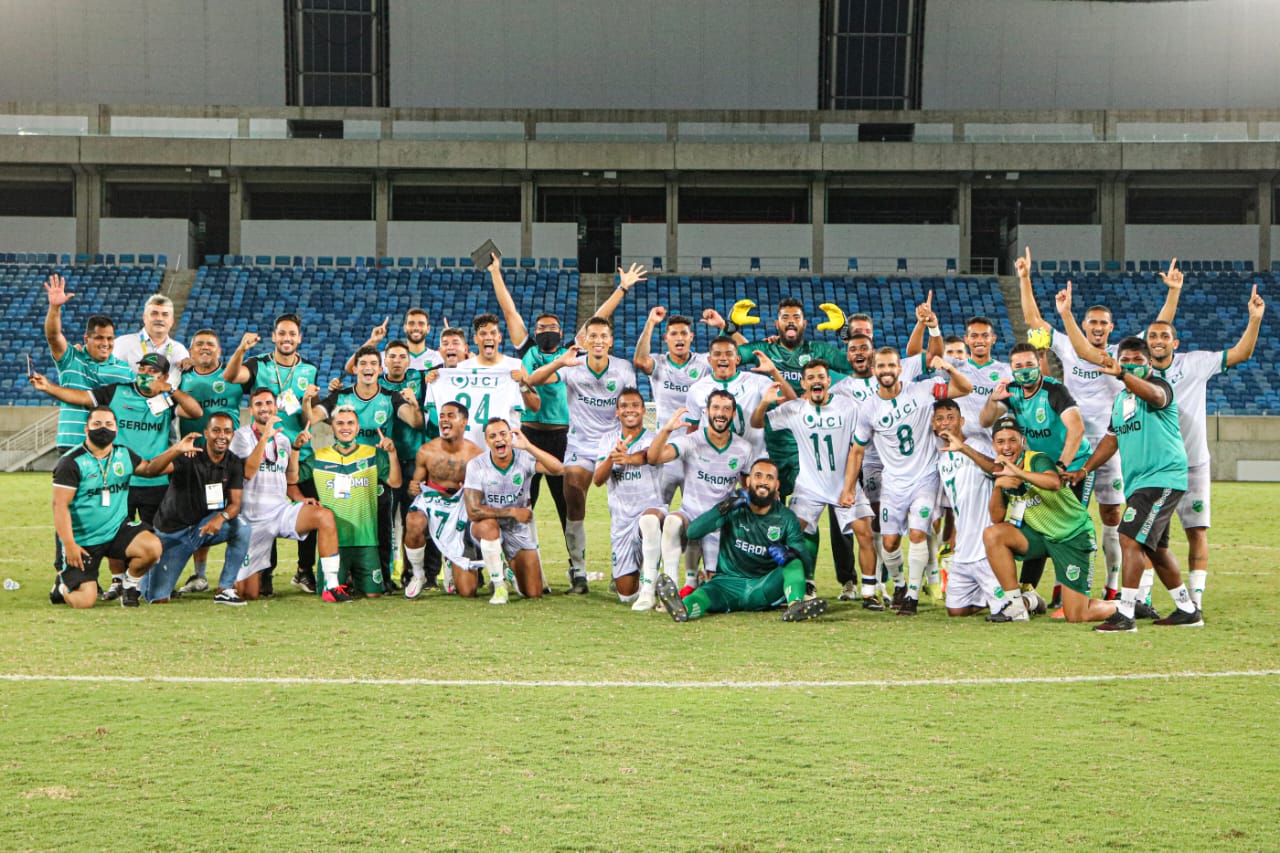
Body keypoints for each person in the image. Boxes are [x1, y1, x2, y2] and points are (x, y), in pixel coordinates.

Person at [1018, 247, 1181, 599]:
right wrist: (1025, 279)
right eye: (1091, 322)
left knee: (1113, 517)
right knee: (1069, 517)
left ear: (1111, 327)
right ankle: (1066, 588)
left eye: (1102, 323)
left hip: (1114, 446)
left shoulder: (1123, 354)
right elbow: (1034, 323)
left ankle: (1111, 587)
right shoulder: (1069, 346)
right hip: (1075, 448)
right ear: (1085, 325)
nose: (1096, 328)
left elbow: (1157, 330)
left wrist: (1172, 292)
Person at [1057, 298, 1203, 631]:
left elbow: (1153, 396)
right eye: (1125, 360)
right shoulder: (1122, 400)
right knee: (1156, 549)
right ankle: (1186, 608)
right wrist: (1084, 470)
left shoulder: (1159, 387)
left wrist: (1122, 373)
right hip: (1141, 481)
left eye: (1138, 360)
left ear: (1150, 363)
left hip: (1161, 478)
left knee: (1128, 539)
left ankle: (1125, 612)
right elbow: (1111, 440)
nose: (1131, 364)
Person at [490, 255, 642, 555]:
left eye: (553, 326)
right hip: (530, 433)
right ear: (535, 331)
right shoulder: (530, 350)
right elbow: (509, 311)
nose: (548, 329)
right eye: (542, 326)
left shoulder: (573, 353)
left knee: (567, 505)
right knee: (523, 502)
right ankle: (523, 562)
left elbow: (597, 320)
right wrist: (496, 272)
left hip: (563, 436)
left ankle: (577, 566)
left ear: (563, 333)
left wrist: (621, 289)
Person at [32, 353, 202, 599]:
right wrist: (49, 387)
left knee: (153, 537)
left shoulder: (168, 399)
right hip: (119, 478)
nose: (144, 375)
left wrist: (170, 390)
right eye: (142, 369)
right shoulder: (117, 392)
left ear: (163, 376)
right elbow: (82, 398)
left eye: (151, 371)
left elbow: (195, 411)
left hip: (154, 477)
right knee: (114, 529)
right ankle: (117, 582)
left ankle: (141, 583)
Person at [1146, 283, 1265, 609]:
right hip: (1154, 466)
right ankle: (1142, 599)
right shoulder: (1137, 371)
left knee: (1196, 532)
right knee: (1146, 535)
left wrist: (1254, 319)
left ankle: (1195, 600)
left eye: (1164, 336)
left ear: (1175, 342)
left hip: (1193, 462)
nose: (1158, 341)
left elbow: (1242, 354)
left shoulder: (1195, 363)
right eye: (1153, 337)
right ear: (1146, 343)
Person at [840, 350, 972, 615]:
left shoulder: (923, 390)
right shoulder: (868, 409)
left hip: (925, 477)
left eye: (891, 365)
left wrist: (948, 366)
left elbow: (965, 388)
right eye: (881, 366)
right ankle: (900, 584)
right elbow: (857, 450)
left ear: (900, 369)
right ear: (874, 370)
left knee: (917, 533)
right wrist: (848, 488)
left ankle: (911, 595)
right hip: (893, 483)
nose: (886, 370)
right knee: (889, 543)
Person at [751, 359, 880, 609]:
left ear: (828, 381)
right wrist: (765, 402)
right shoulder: (794, 409)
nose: (816, 381)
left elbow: (858, 449)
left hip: (844, 483)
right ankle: (804, 584)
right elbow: (757, 423)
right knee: (794, 532)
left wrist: (850, 487)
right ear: (803, 383)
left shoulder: (849, 407)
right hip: (809, 486)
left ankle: (869, 591)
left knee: (864, 532)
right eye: (811, 378)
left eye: (821, 376)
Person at [527, 315, 637, 594]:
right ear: (584, 340)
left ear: (610, 342)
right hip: (578, 445)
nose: (598, 341)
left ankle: (624, 569)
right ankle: (578, 571)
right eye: (593, 336)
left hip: (613, 444)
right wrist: (559, 362)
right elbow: (533, 380)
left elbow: (632, 406)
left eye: (603, 336)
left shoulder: (623, 369)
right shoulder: (572, 364)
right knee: (574, 498)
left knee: (623, 510)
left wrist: (629, 441)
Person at [979, 341, 1090, 610]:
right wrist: (994, 398)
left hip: (1071, 467)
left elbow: (1076, 429)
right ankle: (1028, 592)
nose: (1025, 370)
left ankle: (1069, 592)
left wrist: (1063, 466)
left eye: (1030, 364)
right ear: (1012, 369)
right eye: (1019, 366)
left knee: (1067, 530)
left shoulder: (1054, 390)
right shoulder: (1012, 391)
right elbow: (985, 421)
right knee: (1036, 523)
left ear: (1038, 365)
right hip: (1038, 467)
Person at [41, 274, 135, 585]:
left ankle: (115, 576)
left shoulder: (123, 370)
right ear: (88, 338)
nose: (106, 344)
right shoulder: (72, 360)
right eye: (99, 338)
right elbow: (54, 337)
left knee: (107, 510)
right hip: (72, 445)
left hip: (108, 449)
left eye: (110, 339)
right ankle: (64, 570)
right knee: (70, 509)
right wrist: (55, 308)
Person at [704, 297, 848, 498]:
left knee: (806, 505)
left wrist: (846, 334)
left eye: (796, 317)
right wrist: (729, 328)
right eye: (785, 317)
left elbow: (855, 364)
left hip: (807, 438)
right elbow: (727, 356)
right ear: (776, 324)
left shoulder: (819, 350)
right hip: (772, 440)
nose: (790, 321)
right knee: (769, 502)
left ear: (804, 323)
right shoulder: (766, 349)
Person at [655, 458, 827, 623]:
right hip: (726, 584)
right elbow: (693, 532)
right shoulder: (732, 508)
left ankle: (795, 606)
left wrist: (790, 553)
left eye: (769, 478)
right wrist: (723, 508)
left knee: (793, 562)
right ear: (748, 481)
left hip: (762, 587)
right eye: (758, 476)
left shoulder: (786, 518)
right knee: (703, 595)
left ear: (777, 485)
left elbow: (803, 561)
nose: (763, 482)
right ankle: (683, 609)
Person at [223, 314, 320, 597]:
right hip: (263, 452)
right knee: (264, 512)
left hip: (299, 453)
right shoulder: (258, 364)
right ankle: (264, 571)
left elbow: (309, 415)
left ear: (299, 338)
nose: (287, 338)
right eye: (282, 334)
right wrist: (241, 350)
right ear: (274, 336)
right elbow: (230, 376)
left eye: (292, 334)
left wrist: (305, 404)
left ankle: (305, 570)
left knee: (309, 507)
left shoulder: (309, 369)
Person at [980, 418, 1107, 623]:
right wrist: (998, 486)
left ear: (1022, 441)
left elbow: (1054, 482)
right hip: (1042, 535)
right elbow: (997, 518)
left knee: (1077, 615)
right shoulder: (1003, 468)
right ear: (994, 444)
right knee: (993, 535)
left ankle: (1125, 606)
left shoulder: (1037, 459)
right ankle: (1017, 605)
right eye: (1000, 441)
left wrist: (1018, 473)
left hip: (1072, 536)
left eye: (1012, 440)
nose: (1006, 447)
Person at [229, 388, 342, 602]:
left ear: (275, 407)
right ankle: (235, 580)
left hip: (280, 512)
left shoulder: (282, 440)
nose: (264, 408)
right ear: (251, 410)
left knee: (324, 516)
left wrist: (297, 450)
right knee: (248, 594)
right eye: (259, 404)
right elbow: (247, 471)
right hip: (252, 521)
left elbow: (290, 478)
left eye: (269, 403)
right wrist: (264, 437)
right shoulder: (241, 437)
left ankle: (332, 586)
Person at [50, 406, 163, 609]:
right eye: (97, 424)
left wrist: (177, 451)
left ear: (116, 429)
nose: (103, 428)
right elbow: (59, 506)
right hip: (82, 541)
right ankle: (61, 585)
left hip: (115, 531)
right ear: (86, 429)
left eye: (109, 424)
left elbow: (149, 468)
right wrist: (69, 545)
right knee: (84, 602)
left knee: (152, 547)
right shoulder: (71, 462)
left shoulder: (123, 454)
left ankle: (129, 583)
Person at [646, 392, 754, 596]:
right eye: (716, 408)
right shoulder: (691, 441)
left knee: (716, 588)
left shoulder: (744, 448)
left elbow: (748, 486)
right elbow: (653, 457)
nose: (720, 413)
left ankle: (701, 580)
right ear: (707, 412)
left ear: (733, 414)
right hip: (690, 514)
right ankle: (672, 589)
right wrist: (667, 430)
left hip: (719, 520)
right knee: (672, 522)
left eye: (726, 409)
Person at [138, 414, 252, 604]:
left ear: (233, 435)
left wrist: (221, 518)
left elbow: (235, 504)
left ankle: (225, 588)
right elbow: (152, 470)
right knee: (156, 598)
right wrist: (176, 449)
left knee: (242, 526)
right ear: (206, 433)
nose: (221, 436)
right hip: (173, 534)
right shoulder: (189, 455)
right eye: (216, 430)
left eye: (227, 431)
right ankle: (144, 575)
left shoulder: (233, 463)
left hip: (202, 528)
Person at [463, 418, 565, 604]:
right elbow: (473, 511)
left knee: (533, 593)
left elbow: (558, 469)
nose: (499, 440)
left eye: (503, 434)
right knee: (488, 526)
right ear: (486, 441)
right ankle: (499, 585)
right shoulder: (476, 465)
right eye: (492, 436)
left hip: (517, 529)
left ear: (511, 436)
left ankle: (509, 571)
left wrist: (529, 446)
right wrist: (511, 511)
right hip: (485, 525)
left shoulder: (523, 458)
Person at [930, 401, 1017, 618]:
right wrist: (953, 537)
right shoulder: (943, 460)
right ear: (934, 425)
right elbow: (958, 503)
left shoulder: (979, 444)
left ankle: (1029, 600)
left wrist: (964, 449)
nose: (945, 423)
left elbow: (999, 470)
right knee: (956, 610)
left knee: (1007, 609)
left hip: (986, 547)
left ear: (962, 421)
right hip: (963, 550)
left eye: (951, 417)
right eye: (940, 419)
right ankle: (990, 598)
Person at [173, 328, 241, 595]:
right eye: (198, 344)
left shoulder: (233, 376)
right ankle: (199, 576)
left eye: (210, 344)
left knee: (233, 514)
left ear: (219, 351)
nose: (204, 348)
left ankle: (236, 575)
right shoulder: (181, 377)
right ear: (190, 352)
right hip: (194, 460)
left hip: (227, 463)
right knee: (197, 515)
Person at [311, 406, 403, 599]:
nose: (346, 427)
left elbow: (395, 482)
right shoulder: (319, 457)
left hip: (366, 540)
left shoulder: (372, 454)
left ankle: (353, 579)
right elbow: (293, 478)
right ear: (332, 428)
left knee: (373, 595)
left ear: (358, 427)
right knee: (329, 594)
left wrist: (393, 454)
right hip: (334, 543)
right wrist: (295, 449)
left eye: (350, 423)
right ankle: (345, 578)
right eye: (340, 423)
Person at [592, 388, 667, 610]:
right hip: (622, 521)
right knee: (626, 596)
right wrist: (611, 458)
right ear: (617, 412)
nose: (630, 410)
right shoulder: (607, 440)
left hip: (649, 509)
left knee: (650, 521)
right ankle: (640, 583)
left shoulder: (654, 440)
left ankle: (650, 585)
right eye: (624, 406)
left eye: (635, 405)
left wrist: (629, 458)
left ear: (644, 410)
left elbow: (649, 458)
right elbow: (597, 480)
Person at [403, 401, 485, 598]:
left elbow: (483, 491)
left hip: (459, 506)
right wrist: (413, 488)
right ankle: (418, 574)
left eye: (450, 415)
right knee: (414, 521)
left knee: (468, 591)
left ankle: (452, 558)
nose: (444, 420)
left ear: (464, 421)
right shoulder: (426, 451)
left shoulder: (476, 455)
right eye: (441, 416)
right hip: (432, 499)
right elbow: (415, 487)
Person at [633, 307, 710, 503]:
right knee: (655, 512)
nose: (679, 338)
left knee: (695, 512)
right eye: (674, 333)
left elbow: (732, 356)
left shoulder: (704, 363)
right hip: (664, 451)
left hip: (696, 451)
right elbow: (640, 360)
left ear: (691, 337)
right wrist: (650, 323)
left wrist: (725, 328)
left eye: (684, 333)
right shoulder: (659, 363)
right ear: (666, 338)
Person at [683, 335, 786, 464]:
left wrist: (774, 372)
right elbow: (693, 428)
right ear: (709, 360)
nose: (723, 357)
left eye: (729, 354)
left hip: (753, 459)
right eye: (717, 354)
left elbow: (787, 402)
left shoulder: (758, 382)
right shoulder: (697, 389)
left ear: (737, 359)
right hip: (713, 461)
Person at [112, 293, 189, 387]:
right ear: (144, 318)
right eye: (154, 313)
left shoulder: (180, 351)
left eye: (165, 315)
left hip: (165, 401)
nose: (159, 318)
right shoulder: (122, 344)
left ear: (172, 321)